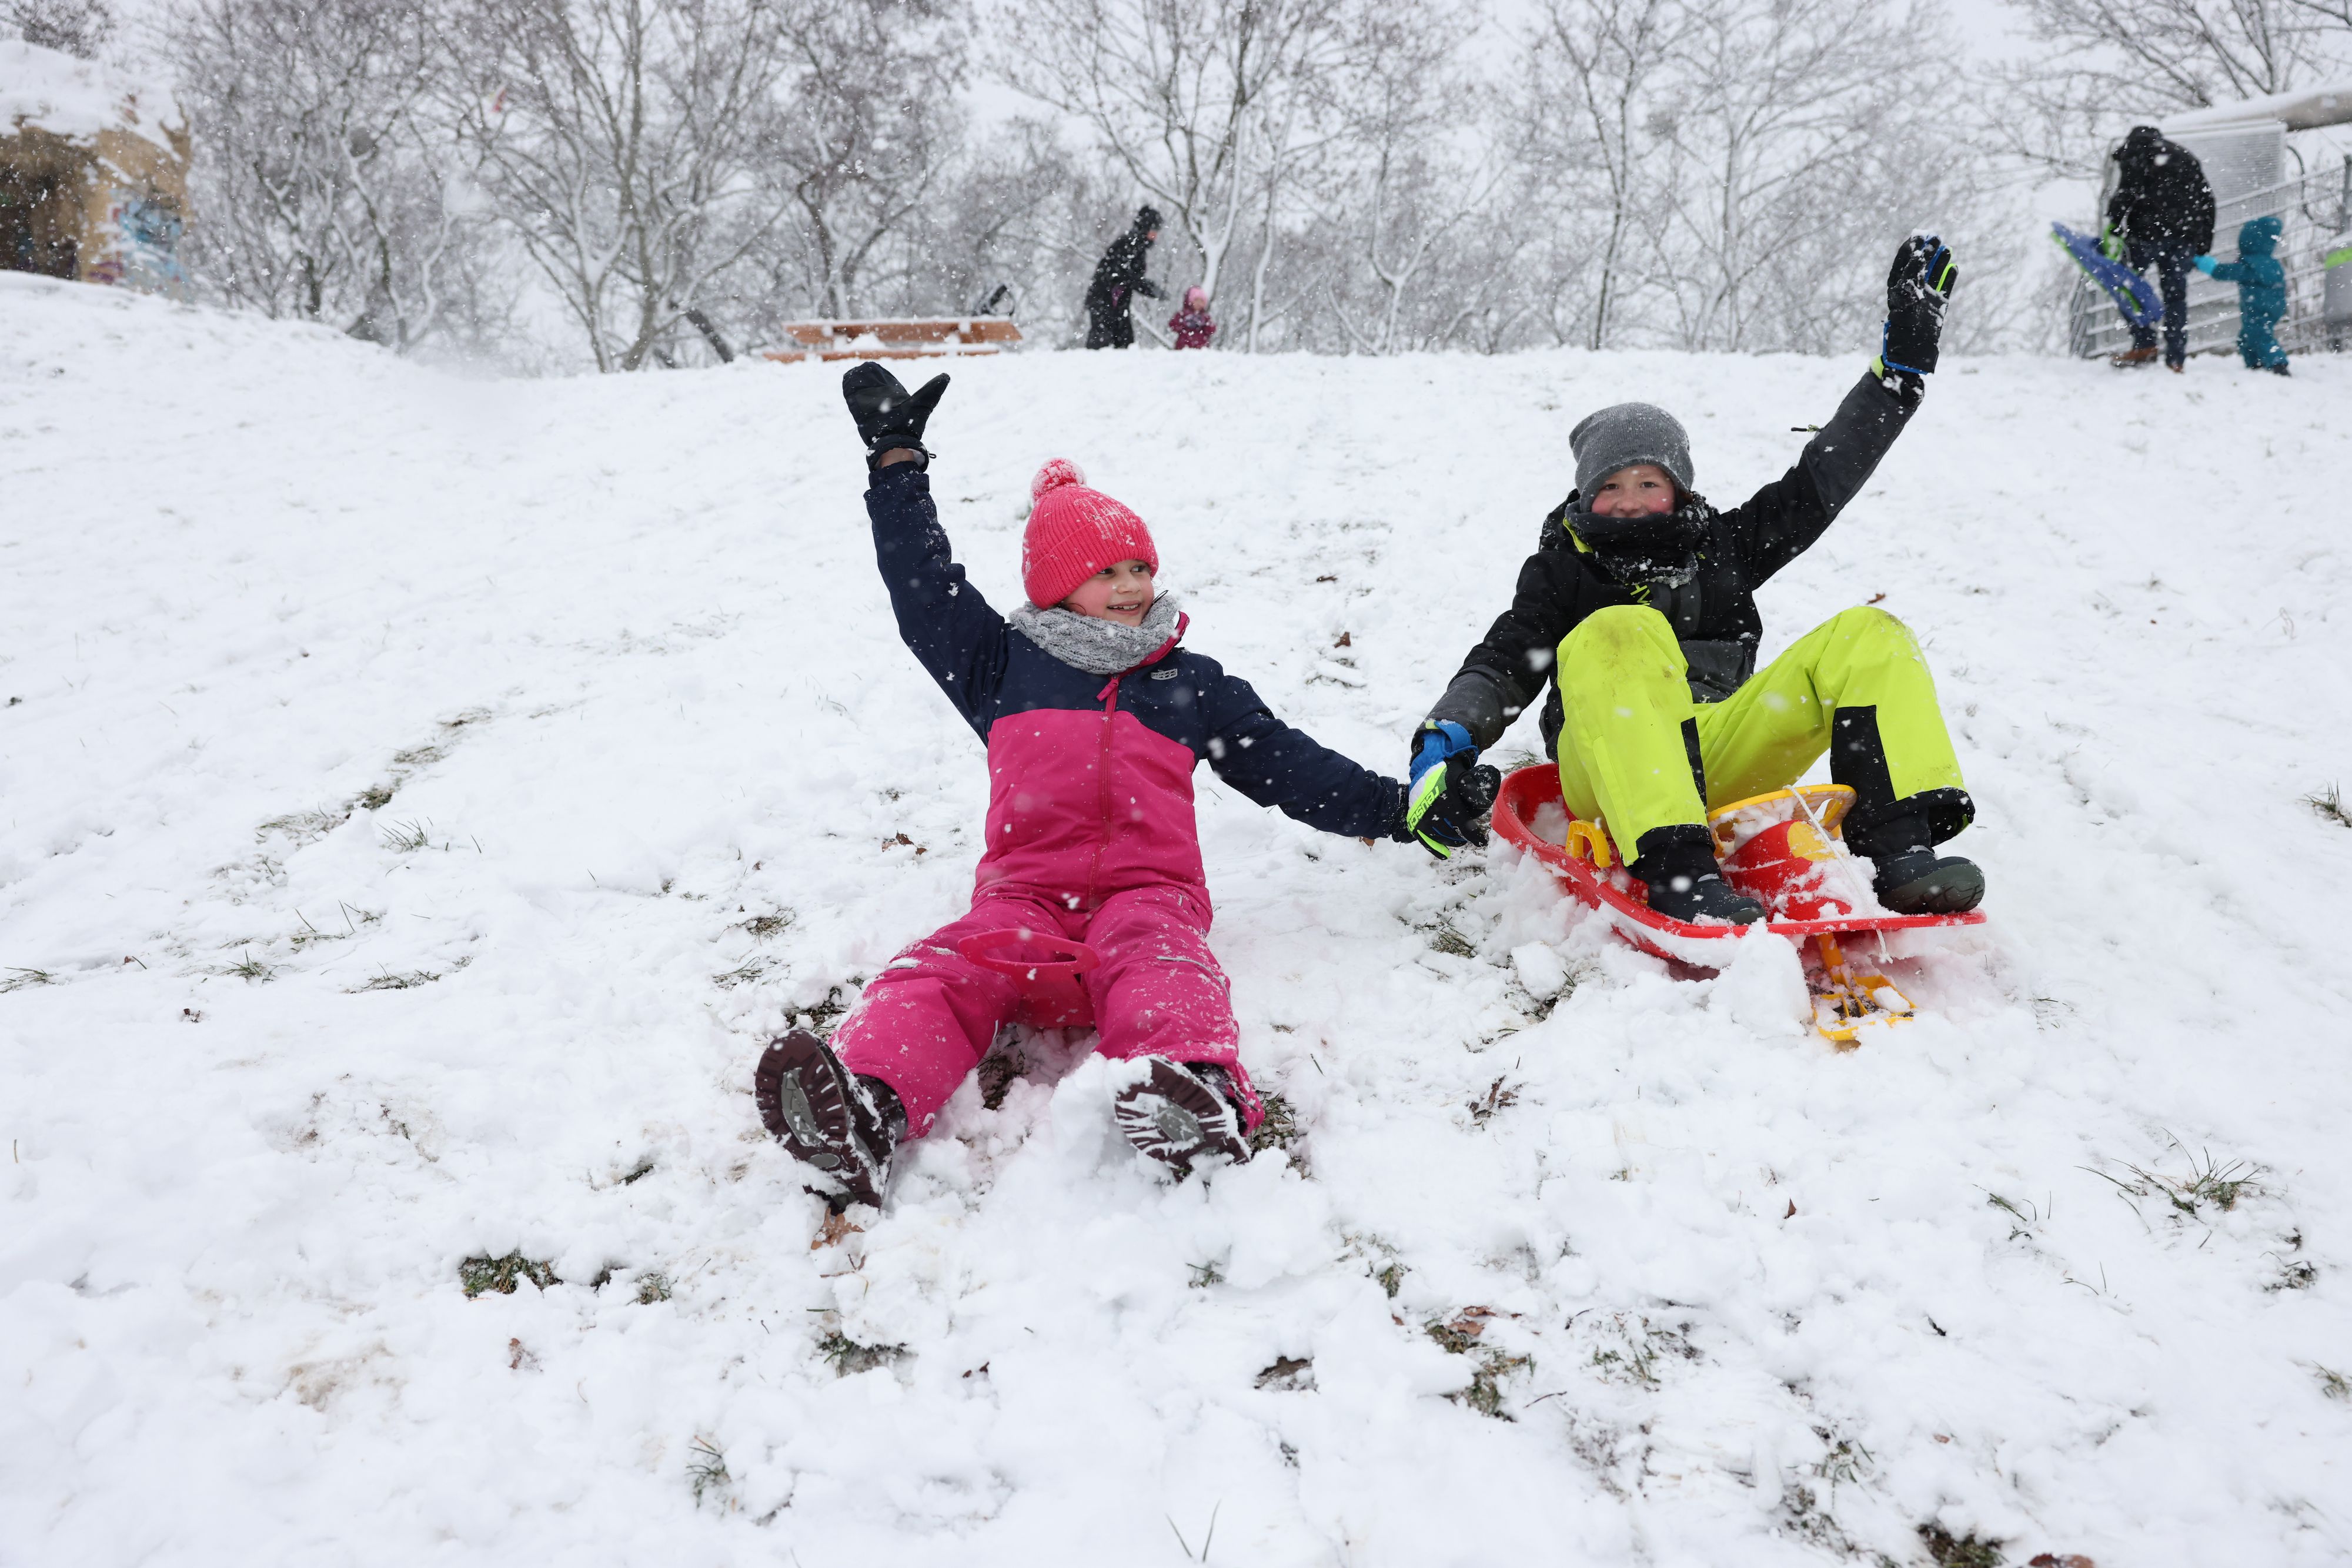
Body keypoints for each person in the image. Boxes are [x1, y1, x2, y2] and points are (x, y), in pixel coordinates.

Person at [755, 362, 1426, 1210]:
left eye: (1141, 566)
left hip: (1148, 897)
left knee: (1166, 967)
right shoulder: (1000, 665)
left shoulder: (1191, 683)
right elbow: (922, 589)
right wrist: (897, 464)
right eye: (1108, 570)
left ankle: (1196, 1093)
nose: (1134, 585)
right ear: (1056, 584)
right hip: (1022, 904)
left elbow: (1290, 765)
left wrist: (1400, 811)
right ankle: (865, 1106)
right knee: (937, 970)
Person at [1401, 235, 1983, 926]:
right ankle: (1679, 873)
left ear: (1677, 489)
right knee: (1623, 627)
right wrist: (1447, 736)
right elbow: (1505, 661)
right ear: (1585, 495)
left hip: (1715, 751)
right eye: (1609, 485)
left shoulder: (1724, 547)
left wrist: (1897, 378)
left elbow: (1822, 478)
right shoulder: (1563, 568)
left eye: (1648, 481)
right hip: (1606, 771)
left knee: (1869, 634)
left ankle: (1897, 850)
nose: (1628, 498)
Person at [2104, 125, 2216, 372]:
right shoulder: (2185, 157)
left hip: (2145, 235)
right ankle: (2176, 358)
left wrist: (2113, 225)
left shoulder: (2138, 152)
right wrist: (2203, 242)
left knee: (2126, 284)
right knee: (2176, 297)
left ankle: (2145, 342)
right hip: (2183, 238)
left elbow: (2128, 192)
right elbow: (2207, 199)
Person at [2195, 215, 2290, 376]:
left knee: (2260, 336)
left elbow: (2226, 273)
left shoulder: (2252, 265)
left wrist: (2210, 266)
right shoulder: (2271, 263)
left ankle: (2278, 364)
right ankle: (2255, 364)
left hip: (2258, 308)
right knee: (2246, 337)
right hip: (2273, 306)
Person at [1083, 206, 1166, 350]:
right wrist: (1150, 289)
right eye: (1154, 231)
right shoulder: (1128, 244)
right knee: (1103, 341)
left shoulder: (1137, 247)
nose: (1155, 236)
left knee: (1125, 342)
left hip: (1118, 303)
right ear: (1146, 228)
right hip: (1104, 300)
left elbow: (1131, 278)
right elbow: (1127, 276)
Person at [1169, 286, 1217, 350]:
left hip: (1201, 349)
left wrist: (1205, 325)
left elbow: (1211, 330)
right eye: (1196, 300)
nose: (1199, 303)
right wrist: (1183, 325)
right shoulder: (1183, 314)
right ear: (1190, 301)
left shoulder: (1205, 317)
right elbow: (1173, 325)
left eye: (1202, 301)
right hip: (1183, 348)